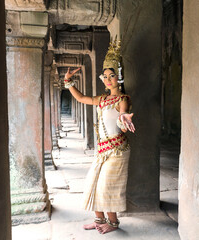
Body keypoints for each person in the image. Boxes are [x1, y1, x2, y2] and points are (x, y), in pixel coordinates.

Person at [63, 40, 135, 234]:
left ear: (118, 77)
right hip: (103, 149)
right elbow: (81, 98)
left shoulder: (123, 99)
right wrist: (67, 82)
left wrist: (124, 120)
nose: (108, 79)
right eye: (105, 76)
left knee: (107, 186)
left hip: (118, 150)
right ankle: (98, 220)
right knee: (93, 182)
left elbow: (122, 117)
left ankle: (113, 223)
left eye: (112, 76)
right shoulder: (102, 99)